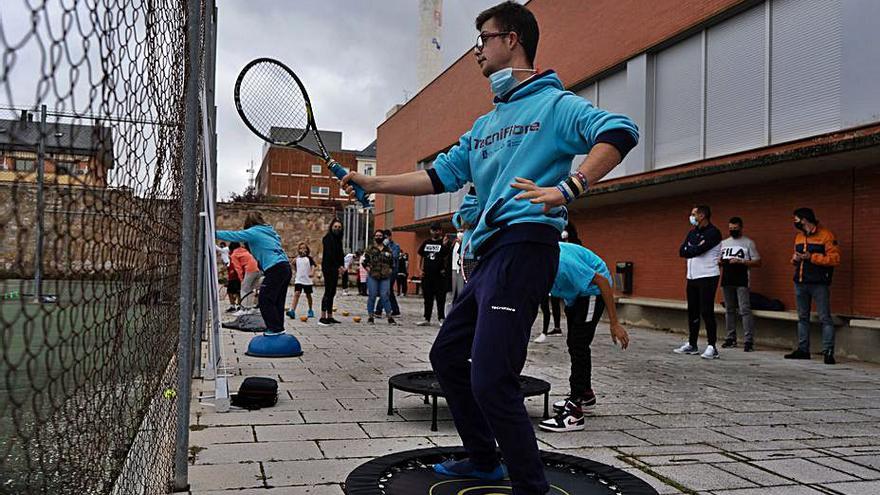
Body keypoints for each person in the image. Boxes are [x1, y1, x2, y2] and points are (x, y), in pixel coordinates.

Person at [340, 2, 638, 491]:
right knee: (447, 358)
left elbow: (619, 132)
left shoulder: (556, 105)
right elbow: (437, 175)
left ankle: (530, 486)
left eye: (483, 38)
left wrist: (570, 188)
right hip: (488, 257)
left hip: (525, 247)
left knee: (492, 380)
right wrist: (372, 185)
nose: (477, 49)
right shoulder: (483, 126)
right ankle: (483, 459)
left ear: (513, 38)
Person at [539, 242, 629, 432]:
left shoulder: (561, 262)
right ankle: (585, 395)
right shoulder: (534, 257)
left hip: (592, 291)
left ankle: (574, 412)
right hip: (577, 294)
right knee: (574, 343)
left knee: (578, 344)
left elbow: (602, 281)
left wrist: (614, 323)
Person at [217, 212, 292, 335]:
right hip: (285, 267)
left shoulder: (253, 232)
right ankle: (278, 328)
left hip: (275, 268)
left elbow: (234, 235)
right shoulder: (270, 232)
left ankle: (274, 329)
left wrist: (212, 233)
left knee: (265, 299)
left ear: (248, 224)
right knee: (278, 300)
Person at [784, 207, 840, 365]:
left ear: (804, 219)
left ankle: (828, 351)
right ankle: (803, 349)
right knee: (802, 317)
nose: (794, 222)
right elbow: (795, 258)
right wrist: (795, 259)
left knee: (824, 317)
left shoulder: (826, 235)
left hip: (819, 283)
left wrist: (812, 257)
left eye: (796, 219)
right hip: (800, 281)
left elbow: (835, 259)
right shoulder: (799, 237)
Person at [674, 205, 722, 359]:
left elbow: (698, 250)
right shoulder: (692, 232)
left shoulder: (713, 233)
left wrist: (692, 248)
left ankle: (712, 346)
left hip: (708, 276)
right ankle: (692, 344)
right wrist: (691, 248)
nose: (691, 216)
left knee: (706, 311)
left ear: (702, 215)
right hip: (692, 277)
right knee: (692, 310)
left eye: (694, 214)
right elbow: (682, 251)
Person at [719, 217, 761, 352]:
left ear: (741, 227)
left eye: (735, 228)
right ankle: (730, 338)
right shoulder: (724, 243)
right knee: (729, 310)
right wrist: (721, 262)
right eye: (730, 228)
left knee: (744, 310)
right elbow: (718, 260)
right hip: (727, 280)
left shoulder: (748, 243)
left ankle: (748, 340)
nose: (733, 230)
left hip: (742, 280)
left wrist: (741, 262)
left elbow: (758, 262)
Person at [416, 222, 451, 326]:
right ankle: (426, 318)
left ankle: (441, 318)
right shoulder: (426, 242)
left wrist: (445, 245)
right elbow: (419, 254)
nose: (435, 232)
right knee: (427, 298)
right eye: (433, 230)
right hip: (427, 275)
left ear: (440, 230)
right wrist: (419, 269)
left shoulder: (444, 242)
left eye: (437, 230)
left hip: (440, 275)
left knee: (440, 298)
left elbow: (447, 256)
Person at [363, 229, 396, 325]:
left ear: (383, 237)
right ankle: (370, 317)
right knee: (372, 296)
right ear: (374, 237)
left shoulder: (388, 249)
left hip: (385, 276)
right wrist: (368, 269)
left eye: (380, 235)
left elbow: (392, 263)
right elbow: (365, 262)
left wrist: (390, 271)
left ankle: (389, 317)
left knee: (385, 296)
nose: (378, 237)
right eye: (376, 235)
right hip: (373, 276)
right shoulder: (370, 249)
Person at [320, 219, 345, 325]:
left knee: (332, 292)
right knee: (328, 291)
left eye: (339, 227)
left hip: (335, 268)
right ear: (331, 227)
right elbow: (330, 254)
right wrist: (338, 266)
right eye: (335, 227)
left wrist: (342, 265)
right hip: (328, 267)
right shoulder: (327, 238)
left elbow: (340, 254)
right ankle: (322, 316)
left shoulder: (338, 239)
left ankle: (330, 316)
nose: (337, 229)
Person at [373, 229, 401, 317]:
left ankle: (378, 310)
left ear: (389, 237)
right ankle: (395, 310)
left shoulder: (395, 246)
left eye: (385, 237)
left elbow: (394, 256)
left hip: (392, 271)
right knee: (389, 291)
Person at [287, 242, 316, 320]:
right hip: (299, 280)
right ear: (298, 250)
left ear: (307, 250)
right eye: (301, 248)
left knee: (308, 295)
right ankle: (292, 310)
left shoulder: (309, 258)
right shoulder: (297, 258)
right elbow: (292, 264)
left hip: (307, 280)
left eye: (304, 248)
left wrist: (312, 272)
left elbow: (313, 266)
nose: (302, 249)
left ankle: (310, 309)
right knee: (297, 294)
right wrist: (295, 268)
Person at [230, 242, 261, 313]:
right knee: (251, 289)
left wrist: (241, 279)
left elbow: (238, 268)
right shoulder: (244, 250)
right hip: (258, 268)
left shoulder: (234, 255)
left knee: (244, 289)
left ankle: (243, 309)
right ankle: (251, 308)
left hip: (250, 269)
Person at [224, 244, 241, 313]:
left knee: (236, 292)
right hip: (233, 276)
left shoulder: (235, 254)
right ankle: (234, 306)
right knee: (232, 292)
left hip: (235, 276)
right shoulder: (232, 254)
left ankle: (237, 306)